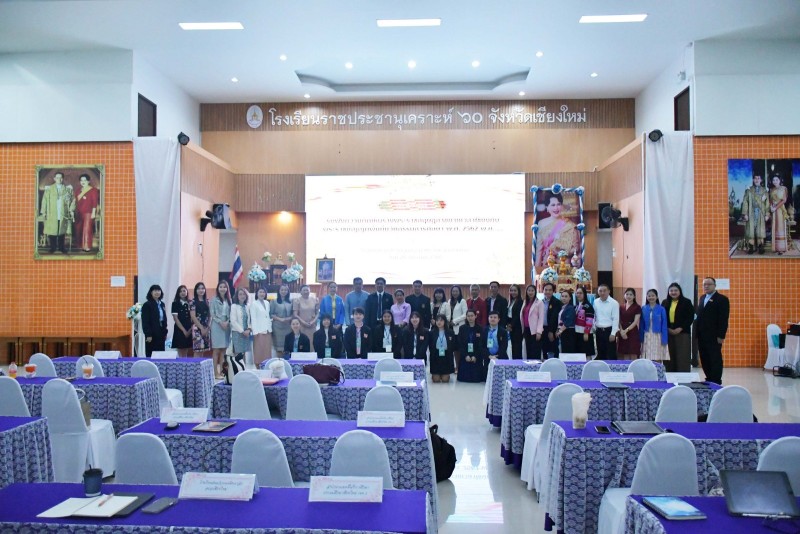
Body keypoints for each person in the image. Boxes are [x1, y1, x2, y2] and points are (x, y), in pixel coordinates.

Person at [695, 277, 729, 385]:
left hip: (714, 335)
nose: (706, 286)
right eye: (704, 284)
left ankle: (716, 380)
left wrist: (721, 336)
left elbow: (723, 319)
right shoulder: (702, 298)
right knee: (704, 357)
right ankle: (708, 378)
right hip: (701, 334)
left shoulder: (722, 299)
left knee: (714, 358)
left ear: (715, 285)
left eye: (709, 284)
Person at [535, 191, 581, 267]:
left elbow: (576, 248)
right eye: (553, 205)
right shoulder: (541, 224)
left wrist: (559, 252)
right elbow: (539, 251)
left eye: (558, 204)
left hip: (564, 265)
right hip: (547, 264)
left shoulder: (569, 224)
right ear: (547, 207)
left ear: (562, 206)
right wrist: (537, 269)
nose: (556, 208)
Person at [662, 282, 694, 372]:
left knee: (682, 355)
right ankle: (669, 374)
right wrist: (667, 328)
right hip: (668, 332)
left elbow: (690, 317)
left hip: (683, 332)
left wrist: (680, 328)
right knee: (669, 355)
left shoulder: (687, 302)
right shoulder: (665, 302)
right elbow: (661, 317)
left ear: (680, 291)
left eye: (675, 290)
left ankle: (682, 376)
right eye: (671, 291)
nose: (673, 292)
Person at [39, 172, 73, 254]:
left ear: (63, 179)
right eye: (57, 177)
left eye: (61, 177)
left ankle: (62, 248)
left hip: (63, 213)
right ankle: (53, 247)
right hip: (52, 212)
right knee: (52, 231)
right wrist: (44, 212)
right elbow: (44, 201)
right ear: (54, 179)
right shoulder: (49, 189)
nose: (59, 179)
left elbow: (73, 200)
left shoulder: (67, 189)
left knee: (62, 231)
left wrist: (71, 210)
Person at [740, 173, 769, 254]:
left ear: (761, 180)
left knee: (760, 230)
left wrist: (767, 214)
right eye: (755, 178)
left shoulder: (764, 191)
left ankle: (760, 246)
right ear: (753, 180)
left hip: (761, 212)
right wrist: (745, 214)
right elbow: (745, 202)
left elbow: (767, 204)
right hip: (751, 212)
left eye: (758, 178)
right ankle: (751, 247)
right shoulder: (749, 190)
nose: (757, 180)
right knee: (751, 229)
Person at [640, 289, 669, 362]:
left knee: (657, 356)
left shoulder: (661, 309)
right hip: (647, 335)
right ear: (646, 297)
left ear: (657, 297)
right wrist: (641, 338)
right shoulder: (643, 308)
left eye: (653, 295)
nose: (651, 297)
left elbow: (664, 324)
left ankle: (657, 369)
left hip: (658, 335)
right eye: (649, 296)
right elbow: (641, 324)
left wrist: (664, 339)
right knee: (647, 357)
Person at [210, 280, 232, 377]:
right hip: (216, 325)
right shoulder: (214, 300)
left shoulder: (229, 300)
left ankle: (222, 372)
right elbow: (212, 313)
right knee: (216, 350)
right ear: (218, 288)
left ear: (227, 288)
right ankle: (215, 372)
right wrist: (220, 322)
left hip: (226, 326)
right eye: (221, 287)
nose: (223, 289)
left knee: (223, 350)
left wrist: (227, 322)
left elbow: (231, 313)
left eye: (224, 287)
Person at [457, 309, 485, 383]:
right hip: (465, 355)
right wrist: (466, 355)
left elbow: (481, 344)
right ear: (466, 317)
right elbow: (460, 344)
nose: (470, 318)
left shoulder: (480, 328)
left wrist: (475, 356)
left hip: (476, 356)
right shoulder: (462, 328)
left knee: (476, 379)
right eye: (468, 316)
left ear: (475, 316)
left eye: (472, 316)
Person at [74, 174, 100, 252]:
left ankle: (87, 246)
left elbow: (95, 202)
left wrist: (93, 213)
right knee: (79, 229)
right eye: (81, 180)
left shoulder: (93, 190)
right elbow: (75, 201)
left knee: (87, 230)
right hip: (79, 212)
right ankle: (80, 245)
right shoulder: (78, 190)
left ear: (88, 181)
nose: (83, 182)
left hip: (88, 213)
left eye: (85, 180)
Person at [593, 284, 619, 360]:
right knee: (600, 354)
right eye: (600, 291)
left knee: (611, 355)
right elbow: (594, 316)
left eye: (604, 291)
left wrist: (613, 333)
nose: (602, 293)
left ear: (609, 291)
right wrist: (593, 327)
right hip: (599, 331)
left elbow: (615, 319)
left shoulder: (614, 303)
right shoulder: (595, 302)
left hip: (609, 331)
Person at [142, 284, 168, 357]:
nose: (157, 292)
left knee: (161, 354)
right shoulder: (147, 305)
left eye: (159, 290)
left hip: (161, 332)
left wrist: (165, 332)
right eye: (155, 290)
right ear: (151, 292)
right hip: (152, 333)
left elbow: (164, 319)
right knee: (151, 354)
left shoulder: (162, 304)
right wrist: (148, 334)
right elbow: (145, 321)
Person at [428, 314, 456, 382]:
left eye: (441, 320)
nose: (439, 322)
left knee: (445, 380)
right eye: (437, 320)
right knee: (436, 380)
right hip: (436, 356)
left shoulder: (450, 332)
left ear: (445, 321)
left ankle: (445, 374)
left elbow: (453, 345)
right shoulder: (431, 333)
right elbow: (430, 346)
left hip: (446, 356)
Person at [617, 288, 642, 359]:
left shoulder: (637, 307)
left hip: (632, 331)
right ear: (624, 295)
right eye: (627, 294)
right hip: (622, 331)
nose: (628, 296)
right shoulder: (621, 307)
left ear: (634, 296)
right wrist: (621, 331)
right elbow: (618, 320)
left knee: (633, 352)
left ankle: (634, 366)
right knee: (625, 353)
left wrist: (626, 330)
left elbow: (635, 321)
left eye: (631, 294)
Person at [251, 288, 273, 366]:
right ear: (257, 293)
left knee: (267, 351)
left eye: (263, 292)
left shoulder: (267, 303)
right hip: (259, 331)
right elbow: (253, 318)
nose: (262, 294)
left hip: (267, 330)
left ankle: (266, 367)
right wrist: (255, 331)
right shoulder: (254, 304)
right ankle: (258, 367)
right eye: (260, 292)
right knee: (259, 351)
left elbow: (268, 316)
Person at [521, 284, 544, 360]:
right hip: (526, 329)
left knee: (535, 351)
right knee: (528, 350)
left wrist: (539, 332)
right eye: (529, 290)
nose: (530, 292)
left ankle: (536, 366)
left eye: (532, 291)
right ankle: (529, 366)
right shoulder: (525, 302)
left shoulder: (539, 302)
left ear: (535, 292)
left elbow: (541, 318)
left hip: (535, 331)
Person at [293, 284, 319, 350]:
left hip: (312, 326)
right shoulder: (296, 300)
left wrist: (313, 322)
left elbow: (317, 313)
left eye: (307, 290)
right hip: (301, 326)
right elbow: (295, 314)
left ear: (309, 291)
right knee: (302, 344)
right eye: (304, 290)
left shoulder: (315, 300)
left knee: (312, 343)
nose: (305, 292)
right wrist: (304, 322)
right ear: (300, 292)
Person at [540, 283, 563, 358]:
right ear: (543, 291)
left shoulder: (557, 302)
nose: (548, 292)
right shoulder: (541, 302)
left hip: (552, 330)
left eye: (550, 290)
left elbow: (554, 318)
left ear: (553, 291)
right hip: (542, 329)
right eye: (546, 290)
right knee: (544, 349)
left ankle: (554, 364)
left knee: (553, 349)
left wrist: (551, 331)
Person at [484, 311, 509, 379]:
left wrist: (497, 356)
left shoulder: (503, 331)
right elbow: (482, 345)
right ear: (488, 318)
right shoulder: (484, 330)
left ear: (498, 319)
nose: (493, 319)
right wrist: (489, 355)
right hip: (488, 357)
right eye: (491, 317)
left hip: (500, 357)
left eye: (495, 317)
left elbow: (504, 346)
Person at [271, 284, 293, 358]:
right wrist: (280, 319)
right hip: (277, 327)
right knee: (279, 348)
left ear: (288, 291)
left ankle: (287, 362)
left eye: (285, 290)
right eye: (282, 290)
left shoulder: (291, 301)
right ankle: (279, 361)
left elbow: (293, 314)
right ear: (279, 291)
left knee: (287, 346)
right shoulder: (274, 301)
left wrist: (287, 319)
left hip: (288, 327)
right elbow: (271, 314)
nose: (284, 291)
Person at [770, 174, 790, 254]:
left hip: (780, 210)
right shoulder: (772, 189)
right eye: (773, 180)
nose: (775, 181)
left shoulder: (783, 188)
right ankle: (776, 247)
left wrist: (775, 207)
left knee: (780, 227)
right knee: (775, 227)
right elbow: (771, 200)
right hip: (774, 210)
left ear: (780, 180)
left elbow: (784, 200)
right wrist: (771, 207)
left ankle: (781, 248)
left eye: (776, 180)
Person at [230, 288, 253, 360]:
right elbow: (233, 321)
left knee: (244, 353)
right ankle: (238, 367)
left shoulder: (248, 306)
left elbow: (251, 319)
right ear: (237, 296)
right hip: (237, 333)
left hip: (246, 333)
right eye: (240, 294)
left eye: (244, 294)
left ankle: (244, 367)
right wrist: (242, 331)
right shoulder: (234, 306)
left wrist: (249, 329)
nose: (242, 296)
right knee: (238, 354)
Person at [170, 285, 192, 357]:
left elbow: (193, 316)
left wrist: (190, 329)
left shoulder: (190, 303)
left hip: (189, 328)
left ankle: (185, 363)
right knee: (180, 349)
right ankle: (180, 363)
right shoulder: (175, 303)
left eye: (184, 291)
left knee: (186, 350)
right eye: (180, 291)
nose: (183, 293)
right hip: (179, 328)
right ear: (178, 293)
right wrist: (184, 331)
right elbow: (175, 319)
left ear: (187, 292)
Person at [189, 282, 211, 356]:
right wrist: (201, 328)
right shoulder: (193, 302)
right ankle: (195, 364)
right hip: (197, 329)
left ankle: (200, 365)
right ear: (196, 290)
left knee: (203, 350)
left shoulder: (208, 301)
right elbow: (193, 316)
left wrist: (207, 327)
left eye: (202, 288)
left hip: (206, 328)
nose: (201, 290)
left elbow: (210, 315)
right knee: (197, 351)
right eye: (199, 289)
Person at [574, 286, 595, 357]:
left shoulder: (588, 306)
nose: (578, 295)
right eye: (577, 293)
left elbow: (589, 320)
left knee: (587, 353)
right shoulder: (577, 305)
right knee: (579, 354)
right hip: (577, 332)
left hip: (585, 333)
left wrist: (586, 333)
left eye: (580, 293)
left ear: (584, 294)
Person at [556, 290, 576, 354]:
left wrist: (560, 331)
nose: (564, 298)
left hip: (568, 332)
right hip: (564, 331)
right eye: (562, 296)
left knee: (568, 351)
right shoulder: (563, 307)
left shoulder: (570, 308)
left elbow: (568, 321)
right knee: (563, 350)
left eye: (566, 296)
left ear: (570, 298)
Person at [506, 284, 524, 358]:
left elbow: (517, 316)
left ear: (518, 291)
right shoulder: (510, 301)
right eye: (511, 290)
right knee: (513, 348)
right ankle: (514, 362)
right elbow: (508, 314)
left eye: (515, 290)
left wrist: (511, 325)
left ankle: (518, 363)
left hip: (517, 328)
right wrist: (507, 324)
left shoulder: (520, 302)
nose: (513, 292)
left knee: (517, 348)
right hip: (511, 328)